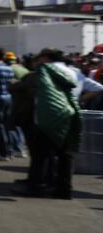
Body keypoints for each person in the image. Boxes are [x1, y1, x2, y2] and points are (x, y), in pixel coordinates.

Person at [14, 49, 81, 199]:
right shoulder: (72, 71)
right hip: (70, 115)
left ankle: (35, 187)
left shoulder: (45, 70)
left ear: (44, 58)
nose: (36, 62)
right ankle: (64, 189)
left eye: (37, 59)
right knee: (65, 155)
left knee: (40, 154)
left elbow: (43, 95)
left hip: (48, 118)